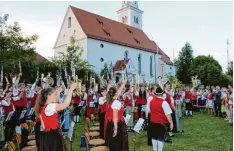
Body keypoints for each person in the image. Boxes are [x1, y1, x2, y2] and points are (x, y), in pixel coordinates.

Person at [35, 83, 77, 151]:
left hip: (48, 135)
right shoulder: (50, 107)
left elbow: (56, 101)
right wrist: (71, 90)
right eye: (55, 95)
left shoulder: (46, 106)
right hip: (52, 136)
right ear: (49, 96)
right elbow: (65, 104)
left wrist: (57, 92)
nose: (56, 96)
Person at [105, 80, 128, 151]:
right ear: (115, 94)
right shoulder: (116, 102)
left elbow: (117, 92)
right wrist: (116, 129)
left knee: (113, 142)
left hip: (110, 123)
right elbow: (115, 117)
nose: (119, 92)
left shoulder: (109, 100)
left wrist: (123, 83)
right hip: (116, 124)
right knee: (117, 143)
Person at [148, 87, 173, 151]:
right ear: (162, 94)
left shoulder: (151, 101)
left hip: (153, 123)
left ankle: (154, 149)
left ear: (156, 94)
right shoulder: (164, 102)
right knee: (160, 139)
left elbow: (149, 111)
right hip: (161, 123)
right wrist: (171, 123)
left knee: (154, 138)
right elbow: (168, 115)